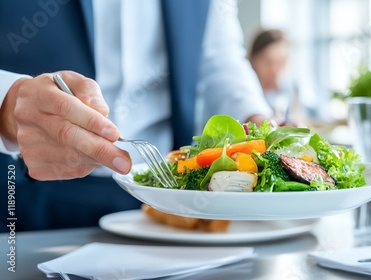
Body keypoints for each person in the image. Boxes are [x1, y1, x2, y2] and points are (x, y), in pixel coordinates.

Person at [0, 0, 273, 231]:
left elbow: (217, 56)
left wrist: (257, 120)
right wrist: (8, 104)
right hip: (21, 193)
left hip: (165, 196)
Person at [248, 29, 305, 124]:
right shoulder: (246, 93)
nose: (274, 70)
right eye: (268, 62)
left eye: (281, 62)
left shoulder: (290, 89)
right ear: (252, 59)